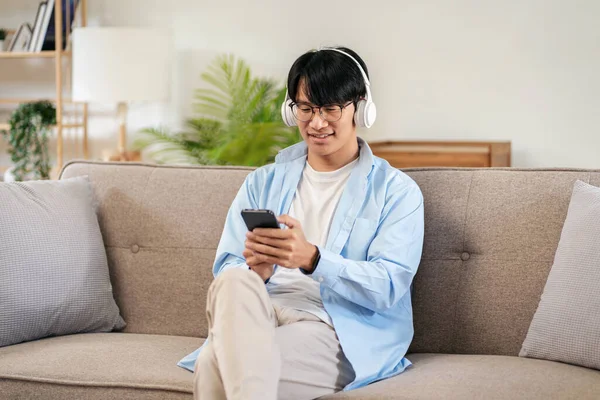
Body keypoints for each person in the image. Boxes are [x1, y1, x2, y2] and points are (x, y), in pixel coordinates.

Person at [177, 46, 425, 400]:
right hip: (260, 313)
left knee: (213, 363)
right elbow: (226, 269)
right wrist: (257, 271)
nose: (317, 122)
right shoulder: (262, 182)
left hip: (333, 326)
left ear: (362, 108)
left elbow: (388, 286)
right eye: (306, 109)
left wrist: (313, 259)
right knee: (234, 280)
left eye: (330, 109)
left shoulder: (397, 192)